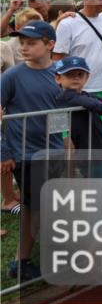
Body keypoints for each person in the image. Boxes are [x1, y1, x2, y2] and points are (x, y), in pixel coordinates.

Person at [0, 20, 64, 281]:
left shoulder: (60, 72)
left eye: (31, 43)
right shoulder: (11, 76)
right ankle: (25, 261)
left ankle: (24, 261)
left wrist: (67, 148)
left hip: (55, 153)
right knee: (38, 208)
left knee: (35, 207)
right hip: (25, 154)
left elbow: (64, 111)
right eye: (22, 42)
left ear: (50, 45)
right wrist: (4, 151)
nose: (24, 47)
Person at [53, 0, 102, 97]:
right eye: (101, 0)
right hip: (76, 89)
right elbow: (58, 58)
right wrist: (59, 84)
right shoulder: (67, 24)